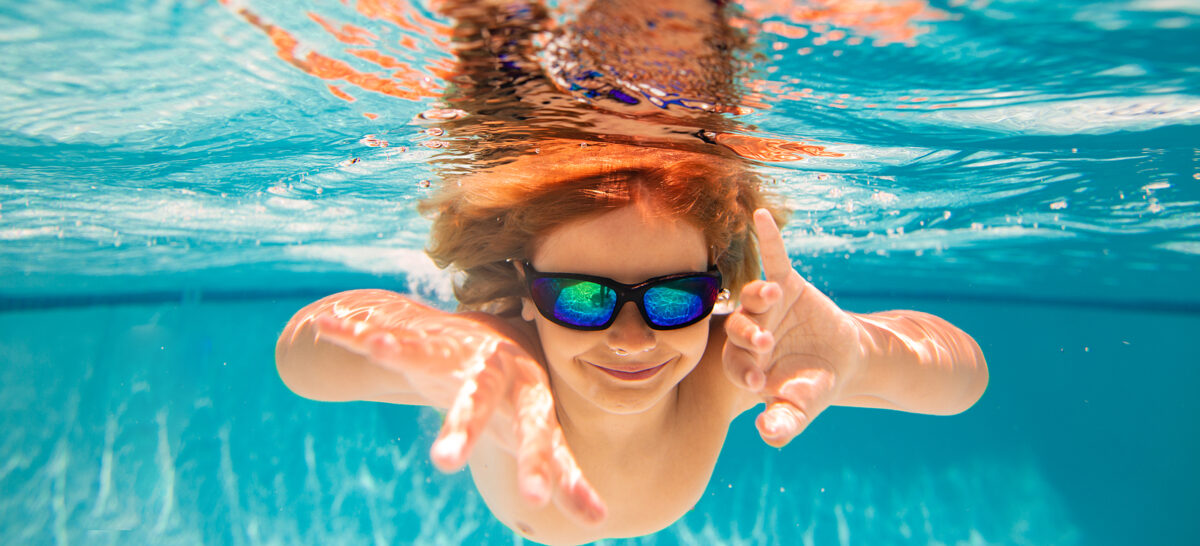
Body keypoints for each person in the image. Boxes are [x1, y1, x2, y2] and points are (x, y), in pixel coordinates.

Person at [275, 2, 988, 545]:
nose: (633, 339)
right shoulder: (503, 364)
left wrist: (859, 355)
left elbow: (963, 379)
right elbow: (304, 355)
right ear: (526, 294)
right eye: (582, 299)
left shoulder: (728, 364)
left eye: (676, 299)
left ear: (717, 290)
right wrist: (446, 340)